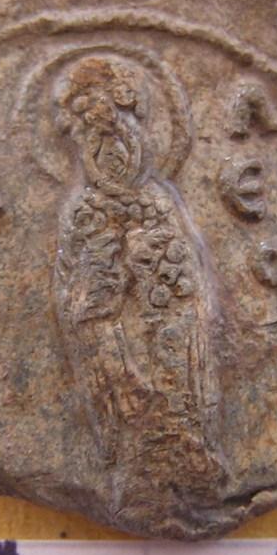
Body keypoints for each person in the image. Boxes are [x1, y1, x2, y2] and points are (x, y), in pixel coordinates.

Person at [53, 56, 225, 507]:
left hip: (169, 353)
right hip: (122, 371)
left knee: (177, 376)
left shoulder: (157, 203)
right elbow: (83, 305)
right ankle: (135, 468)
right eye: (97, 142)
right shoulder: (87, 212)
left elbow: (185, 295)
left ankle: (187, 450)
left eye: (124, 138)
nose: (114, 156)